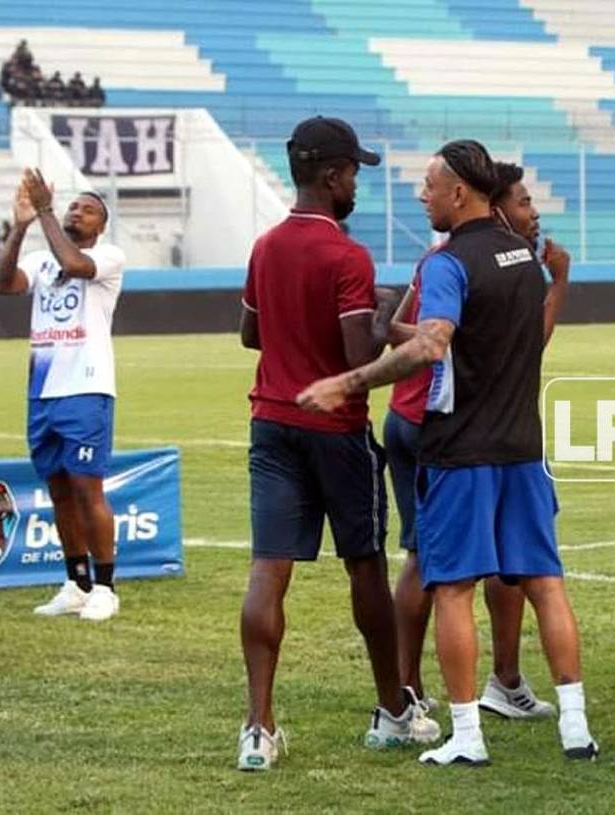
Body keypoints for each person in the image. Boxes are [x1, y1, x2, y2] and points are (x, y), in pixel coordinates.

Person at [300, 139, 598, 766]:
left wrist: (347, 382)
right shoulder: (524, 259)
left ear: (459, 191)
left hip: (461, 452)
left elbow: (433, 345)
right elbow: (504, 338)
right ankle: (575, 725)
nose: (421, 195)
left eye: (429, 185)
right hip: (522, 446)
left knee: (454, 590)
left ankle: (466, 735)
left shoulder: (446, 262)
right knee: (546, 583)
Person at [234, 116, 430, 773]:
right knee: (365, 564)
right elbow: (357, 352)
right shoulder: (348, 254)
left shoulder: (265, 246)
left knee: (269, 568)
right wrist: (382, 314)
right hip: (337, 430)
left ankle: (257, 726)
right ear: (330, 175)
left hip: (271, 421)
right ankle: (393, 709)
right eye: (352, 172)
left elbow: (249, 337)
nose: (355, 184)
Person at [386, 160, 567, 726]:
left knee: (497, 565)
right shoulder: (452, 264)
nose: (532, 215)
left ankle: (502, 679)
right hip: (437, 424)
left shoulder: (498, 266)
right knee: (436, 564)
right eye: (522, 204)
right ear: (492, 205)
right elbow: (402, 327)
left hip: (474, 429)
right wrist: (442, 339)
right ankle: (407, 686)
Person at [0, 170, 126, 623]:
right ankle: (76, 582)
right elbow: (3, 284)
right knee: (60, 492)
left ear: (101, 225)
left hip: (85, 388)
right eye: (73, 206)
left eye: (87, 209)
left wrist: (46, 210)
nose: (76, 211)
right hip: (43, 391)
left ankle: (106, 588)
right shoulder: (40, 258)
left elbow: (74, 266)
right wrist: (21, 224)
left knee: (88, 488)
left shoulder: (108, 257)